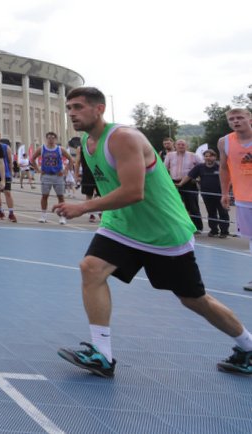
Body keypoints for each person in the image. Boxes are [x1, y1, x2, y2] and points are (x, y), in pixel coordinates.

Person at [55, 87, 252, 377]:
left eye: (78, 107)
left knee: (193, 299)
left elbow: (134, 191)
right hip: (122, 225)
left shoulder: (123, 138)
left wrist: (84, 208)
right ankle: (102, 354)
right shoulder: (87, 141)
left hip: (163, 232)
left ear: (99, 109)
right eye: (69, 107)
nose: (72, 113)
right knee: (91, 268)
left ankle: (247, 346)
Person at [219, 107, 252, 291]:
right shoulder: (225, 142)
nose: (236, 121)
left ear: (250, 118)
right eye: (232, 119)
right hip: (244, 199)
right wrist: (225, 192)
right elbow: (224, 168)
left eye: (240, 117)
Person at [180, 150, 229, 238]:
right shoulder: (199, 167)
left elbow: (229, 178)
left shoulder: (220, 166)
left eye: (210, 156)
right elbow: (189, 176)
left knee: (223, 213)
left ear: (215, 157)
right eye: (206, 156)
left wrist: (227, 192)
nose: (208, 158)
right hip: (207, 195)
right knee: (211, 212)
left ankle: (224, 232)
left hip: (220, 195)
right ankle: (214, 231)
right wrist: (180, 184)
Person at [164, 139, 204, 232]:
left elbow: (202, 167)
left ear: (187, 146)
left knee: (193, 206)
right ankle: (178, 226)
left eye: (183, 144)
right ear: (175, 146)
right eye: (179, 144)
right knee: (174, 205)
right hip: (174, 183)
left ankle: (198, 227)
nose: (181, 146)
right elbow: (164, 168)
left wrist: (198, 178)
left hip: (189, 184)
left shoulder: (194, 156)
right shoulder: (170, 155)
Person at [34, 131, 72, 224]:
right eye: (49, 138)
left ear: (56, 139)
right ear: (46, 139)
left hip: (58, 176)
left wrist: (66, 170)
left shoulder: (60, 149)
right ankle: (43, 215)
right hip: (46, 175)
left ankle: (62, 216)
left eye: (53, 138)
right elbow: (32, 159)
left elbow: (71, 159)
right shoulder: (42, 148)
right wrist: (38, 169)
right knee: (44, 196)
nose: (51, 139)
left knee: (60, 196)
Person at [0, 131, 17, 222]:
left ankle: (11, 213)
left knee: (7, 193)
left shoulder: (6, 147)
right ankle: (0, 212)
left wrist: (10, 173)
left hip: (5, 174)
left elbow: (10, 161)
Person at [75, 144, 99, 223]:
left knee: (101, 194)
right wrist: (76, 175)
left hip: (99, 173)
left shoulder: (101, 143)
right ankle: (91, 214)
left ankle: (101, 212)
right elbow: (77, 162)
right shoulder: (80, 148)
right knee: (89, 195)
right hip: (87, 174)